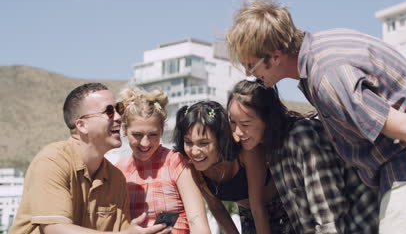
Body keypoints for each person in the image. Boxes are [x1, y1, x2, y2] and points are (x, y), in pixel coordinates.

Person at [226, 0, 406, 234]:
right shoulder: (327, 45)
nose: (249, 75)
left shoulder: (327, 75)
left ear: (275, 56)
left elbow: (401, 127)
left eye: (251, 65)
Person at [10, 82, 171, 234]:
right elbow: (55, 230)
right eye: (108, 111)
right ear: (82, 125)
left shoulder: (117, 179)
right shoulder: (51, 162)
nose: (119, 117)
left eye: (118, 109)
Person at [227, 79, 379, 234]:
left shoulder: (301, 137)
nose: (237, 132)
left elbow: (329, 219)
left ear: (267, 119)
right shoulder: (271, 149)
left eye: (245, 124)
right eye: (232, 122)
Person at [173, 101, 292, 234]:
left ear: (220, 140)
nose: (194, 151)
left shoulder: (247, 152)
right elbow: (216, 208)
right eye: (188, 142)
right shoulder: (193, 166)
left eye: (204, 143)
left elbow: (258, 206)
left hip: (284, 208)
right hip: (247, 214)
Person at [115, 86, 211, 234]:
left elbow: (199, 227)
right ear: (124, 130)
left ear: (162, 130)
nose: (145, 143)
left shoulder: (176, 162)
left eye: (153, 135)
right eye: (137, 135)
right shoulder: (118, 171)